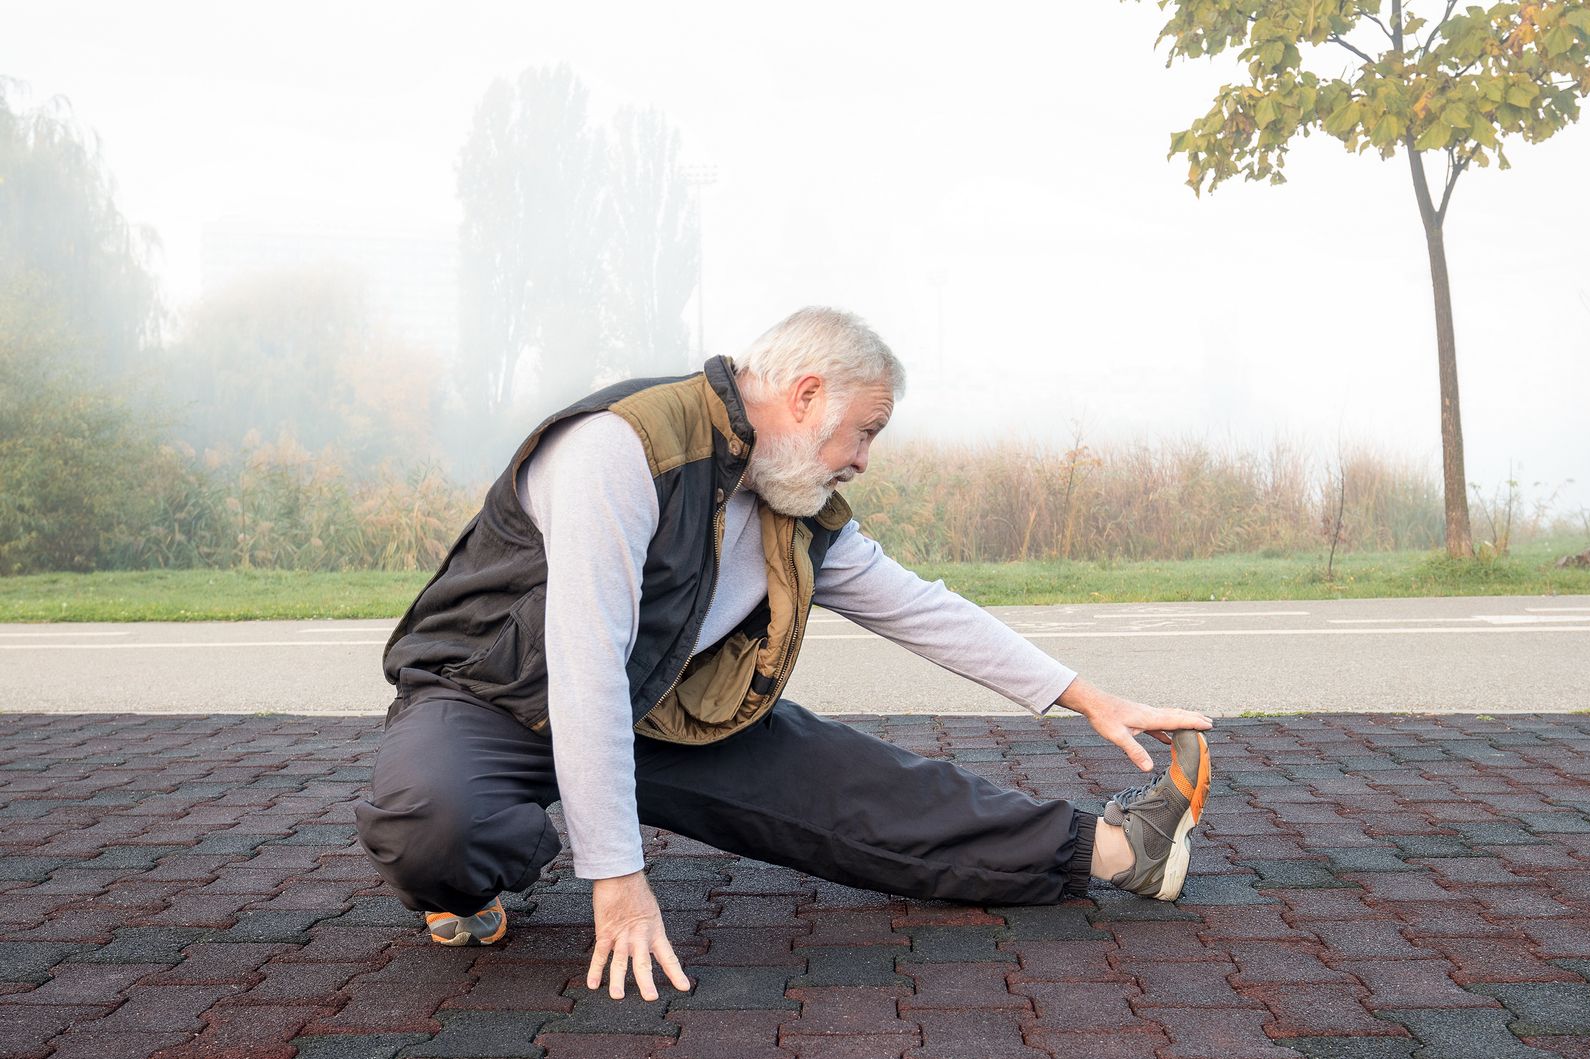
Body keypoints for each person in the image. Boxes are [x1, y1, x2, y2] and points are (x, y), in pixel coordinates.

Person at [355, 306, 1214, 1003]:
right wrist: (615, 875)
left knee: (855, 788)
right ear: (806, 396)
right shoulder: (623, 448)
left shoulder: (791, 499)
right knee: (433, 825)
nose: (865, 460)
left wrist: (1087, 695)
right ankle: (467, 889)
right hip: (489, 700)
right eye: (864, 430)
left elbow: (922, 609)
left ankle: (1116, 848)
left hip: (660, 703)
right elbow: (583, 663)